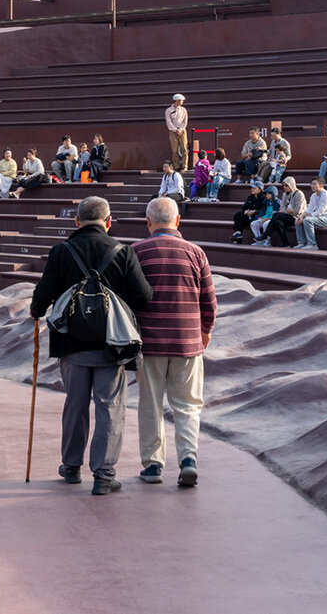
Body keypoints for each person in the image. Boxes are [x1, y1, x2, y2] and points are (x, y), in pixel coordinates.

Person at [29, 196, 154, 495]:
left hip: (71, 343)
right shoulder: (122, 252)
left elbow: (42, 296)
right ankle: (103, 474)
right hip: (112, 345)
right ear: (108, 221)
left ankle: (71, 467)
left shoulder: (61, 251)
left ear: (76, 221)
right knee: (110, 406)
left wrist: (36, 312)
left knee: (75, 405)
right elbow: (143, 296)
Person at [131, 197, 215, 488]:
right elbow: (209, 302)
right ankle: (188, 460)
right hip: (187, 342)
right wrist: (204, 331)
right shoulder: (196, 253)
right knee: (188, 405)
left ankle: (153, 465)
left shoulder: (136, 252)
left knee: (150, 404)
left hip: (149, 342)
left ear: (148, 222)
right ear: (178, 221)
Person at [298, 177, 327, 249]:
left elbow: (320, 211)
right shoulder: (313, 195)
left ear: (321, 185)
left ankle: (312, 244)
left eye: (314, 184)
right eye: (311, 184)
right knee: (298, 220)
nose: (312, 186)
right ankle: (302, 242)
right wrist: (301, 216)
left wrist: (307, 217)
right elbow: (309, 209)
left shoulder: (326, 195)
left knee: (307, 220)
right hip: (318, 218)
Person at [267, 176, 304, 247]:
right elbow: (282, 207)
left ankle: (266, 235)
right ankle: (285, 243)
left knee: (276, 215)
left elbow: (298, 211)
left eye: (286, 185)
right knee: (277, 222)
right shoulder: (284, 194)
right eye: (283, 185)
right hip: (287, 216)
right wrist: (287, 211)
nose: (284, 187)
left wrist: (286, 211)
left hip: (296, 217)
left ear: (291, 185)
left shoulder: (299, 194)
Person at [165, 94, 190, 171]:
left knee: (184, 148)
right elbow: (169, 122)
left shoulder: (184, 110)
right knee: (174, 149)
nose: (182, 102)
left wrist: (181, 129)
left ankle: (185, 165)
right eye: (180, 100)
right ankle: (176, 166)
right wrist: (175, 130)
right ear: (176, 101)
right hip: (173, 131)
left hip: (182, 130)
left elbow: (185, 121)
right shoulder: (168, 110)